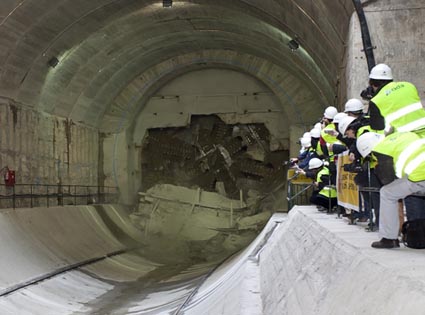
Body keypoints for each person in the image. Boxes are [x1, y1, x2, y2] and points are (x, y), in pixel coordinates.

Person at [357, 132, 425, 248]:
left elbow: (387, 179)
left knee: (387, 193)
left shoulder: (381, 149)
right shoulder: (401, 135)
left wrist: (379, 169)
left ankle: (389, 238)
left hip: (420, 176)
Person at [367, 63, 425, 134]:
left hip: (404, 138)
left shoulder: (376, 100)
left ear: (372, 83)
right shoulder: (409, 86)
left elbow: (377, 128)